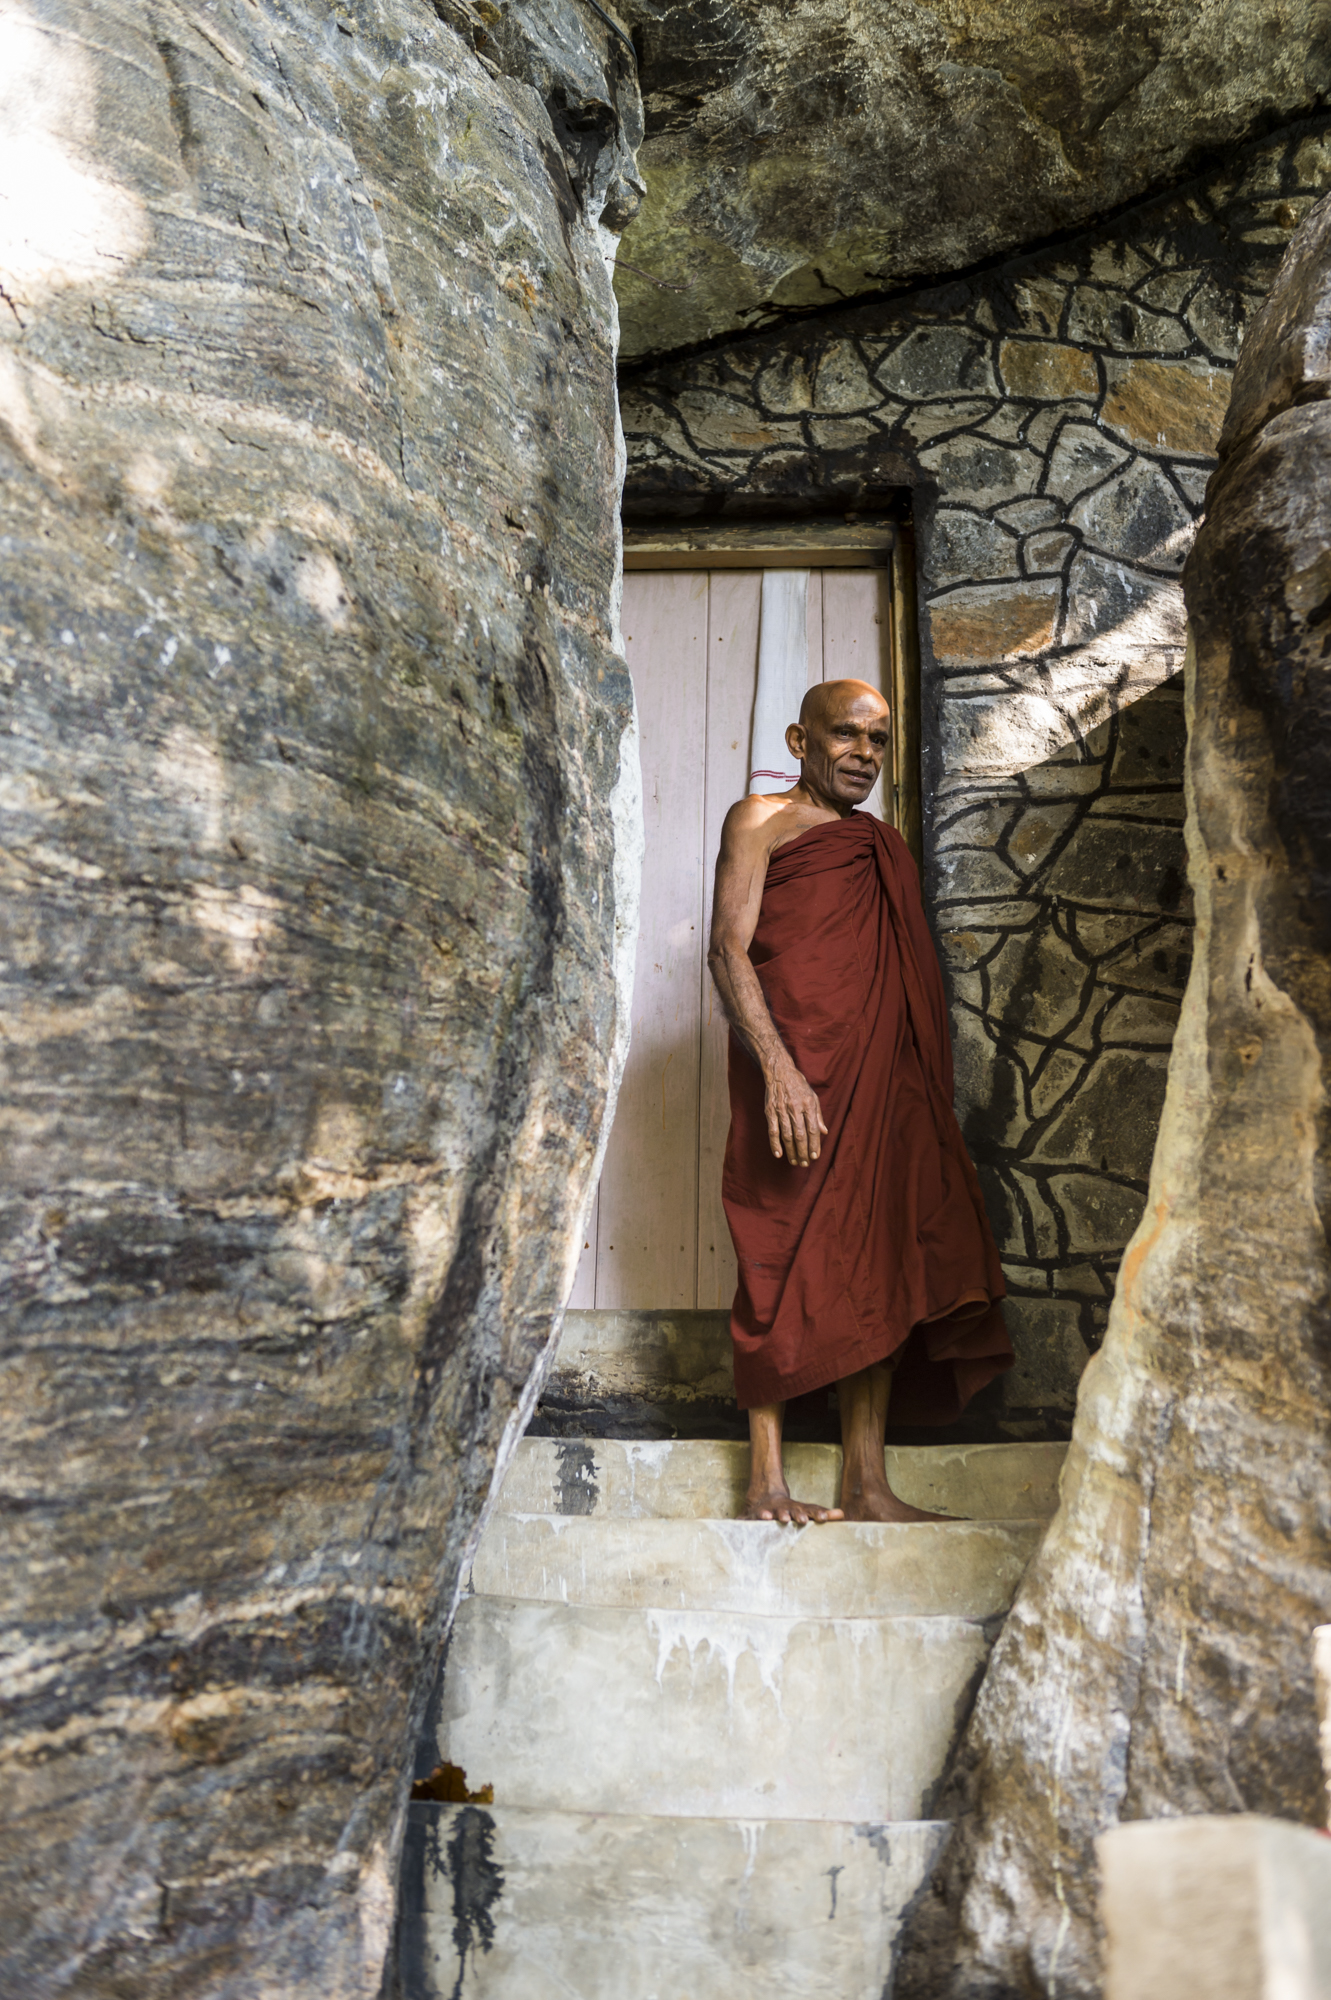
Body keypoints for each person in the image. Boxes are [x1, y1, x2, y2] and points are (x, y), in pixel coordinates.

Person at [707, 678, 1013, 1525]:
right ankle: (765, 1481)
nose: (864, 755)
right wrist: (778, 1071)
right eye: (846, 735)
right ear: (799, 740)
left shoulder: (879, 845)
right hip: (792, 1069)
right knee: (778, 1247)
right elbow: (727, 951)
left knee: (880, 1251)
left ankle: (866, 1483)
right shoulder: (758, 820)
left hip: (881, 1079)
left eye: (877, 740)